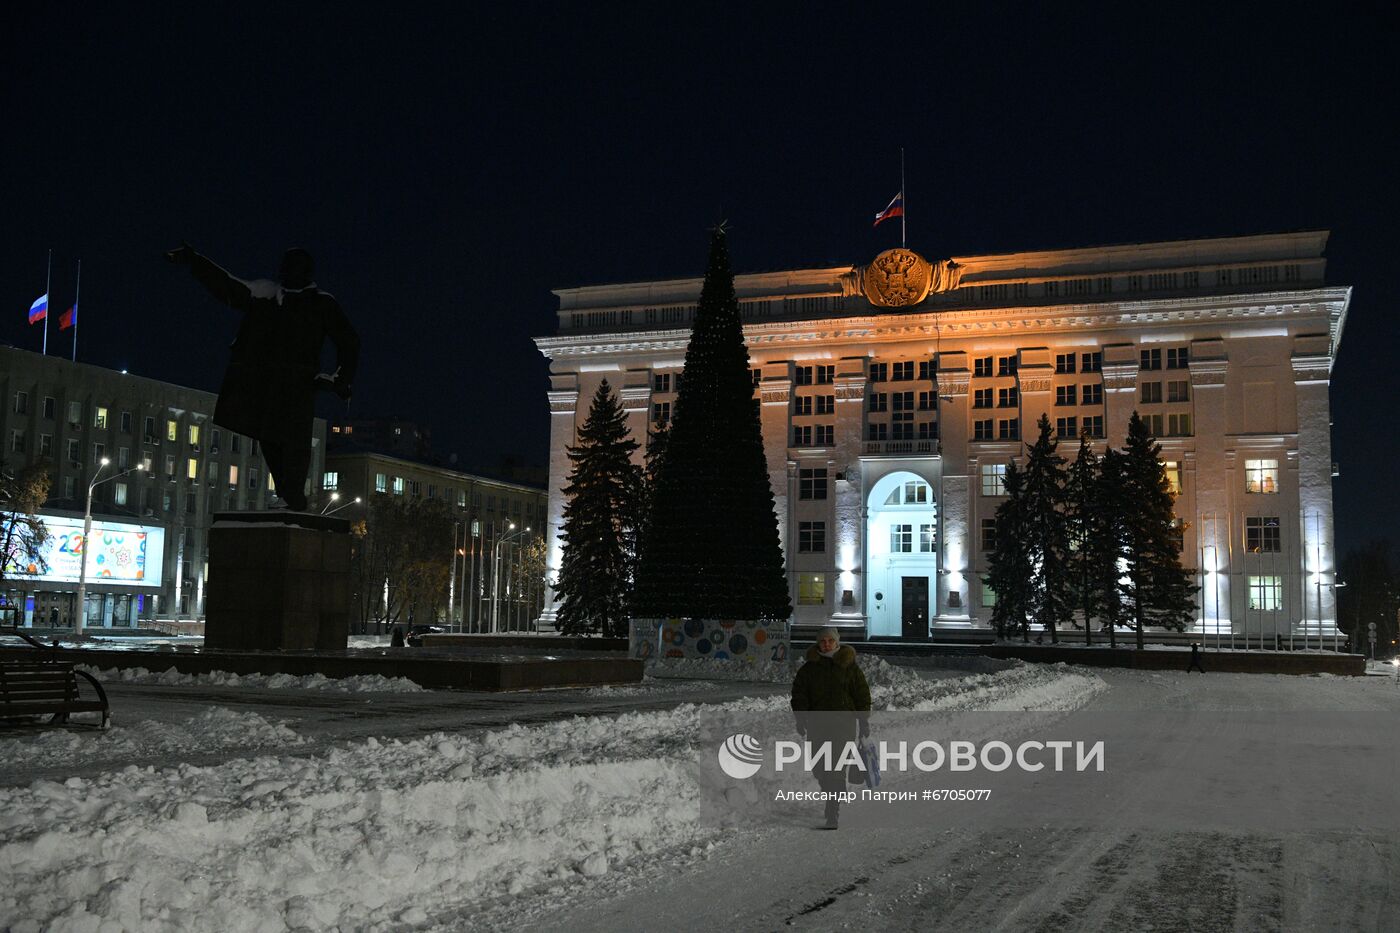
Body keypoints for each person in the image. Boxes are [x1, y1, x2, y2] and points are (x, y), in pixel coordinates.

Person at [166, 244, 359, 511]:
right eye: (285, 268)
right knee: (269, 437)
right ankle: (286, 493)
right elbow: (229, 286)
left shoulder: (322, 303)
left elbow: (349, 341)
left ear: (306, 272)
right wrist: (195, 261)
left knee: (294, 440)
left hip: (300, 383)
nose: (287, 273)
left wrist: (340, 379)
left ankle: (293, 495)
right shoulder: (266, 295)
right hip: (267, 382)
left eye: (294, 268)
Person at [791, 627, 871, 829]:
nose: (826, 644)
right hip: (817, 724)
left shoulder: (849, 666)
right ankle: (834, 792)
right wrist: (801, 718)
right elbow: (799, 694)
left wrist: (863, 721)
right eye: (823, 641)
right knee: (819, 767)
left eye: (830, 640)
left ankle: (832, 810)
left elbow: (861, 694)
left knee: (835, 766)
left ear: (837, 642)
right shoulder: (809, 668)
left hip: (843, 724)